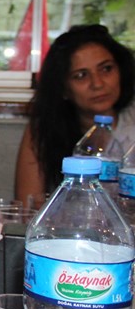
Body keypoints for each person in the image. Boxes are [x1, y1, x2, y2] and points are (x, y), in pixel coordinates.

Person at [15, 24, 135, 206]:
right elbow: (28, 205)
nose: (97, 84)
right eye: (81, 75)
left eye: (106, 69)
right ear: (63, 89)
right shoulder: (45, 128)